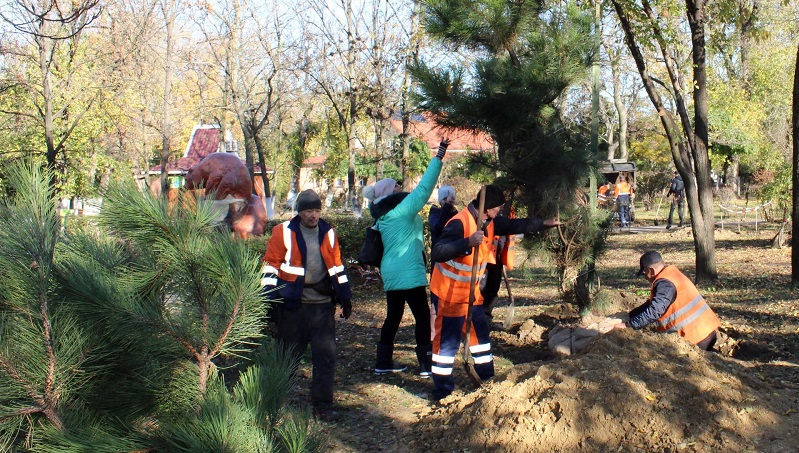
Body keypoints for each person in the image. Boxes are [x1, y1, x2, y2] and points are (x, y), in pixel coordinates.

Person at [429, 185, 560, 400]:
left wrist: (544, 223)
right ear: (487, 207)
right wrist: (467, 242)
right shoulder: (459, 223)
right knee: (447, 343)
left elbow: (515, 224)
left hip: (470, 295)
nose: (500, 211)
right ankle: (442, 390)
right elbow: (438, 251)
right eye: (498, 207)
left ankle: (488, 380)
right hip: (448, 295)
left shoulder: (489, 222)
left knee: (480, 335)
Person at [260, 189, 353, 420]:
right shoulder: (282, 232)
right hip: (293, 306)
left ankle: (323, 405)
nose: (313, 215)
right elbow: (271, 265)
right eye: (309, 210)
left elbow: (337, 266)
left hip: (322, 306)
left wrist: (345, 296)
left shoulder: (328, 232)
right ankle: (278, 402)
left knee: (325, 356)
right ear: (300, 211)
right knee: (287, 356)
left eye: (317, 210)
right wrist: (269, 302)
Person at [363, 140, 449, 376]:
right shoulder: (400, 210)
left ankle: (383, 362)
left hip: (390, 272)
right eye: (396, 186)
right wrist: (438, 156)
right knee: (422, 316)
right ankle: (425, 364)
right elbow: (423, 189)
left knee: (393, 316)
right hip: (408, 272)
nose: (400, 188)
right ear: (389, 194)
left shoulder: (382, 217)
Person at [614, 251, 720, 351]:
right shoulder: (671, 275)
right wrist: (631, 315)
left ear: (651, 270)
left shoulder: (665, 284)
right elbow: (652, 304)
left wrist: (628, 326)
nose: (645, 278)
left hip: (696, 338)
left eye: (644, 274)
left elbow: (655, 311)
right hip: (707, 330)